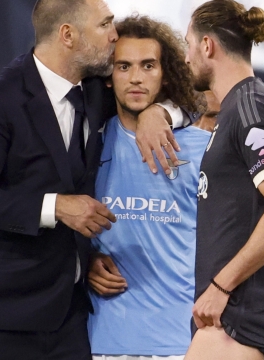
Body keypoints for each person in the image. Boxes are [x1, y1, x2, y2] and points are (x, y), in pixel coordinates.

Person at [0, 1, 185, 359]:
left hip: (67, 321)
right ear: (68, 35)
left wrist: (157, 112)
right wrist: (57, 207)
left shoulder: (95, 91)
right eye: (104, 25)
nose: (114, 35)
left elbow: (188, 93)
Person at [85, 15, 216, 360]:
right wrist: (83, 259)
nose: (137, 78)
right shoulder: (85, 147)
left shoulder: (203, 150)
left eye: (148, 65)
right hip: (101, 343)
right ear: (108, 77)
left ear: (165, 73)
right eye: (124, 66)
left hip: (183, 344)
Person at [183, 1, 264, 359]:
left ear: (207, 46)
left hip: (240, 322)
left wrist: (220, 286)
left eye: (188, 45)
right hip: (242, 321)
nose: (186, 57)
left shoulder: (252, 106)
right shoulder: (240, 108)